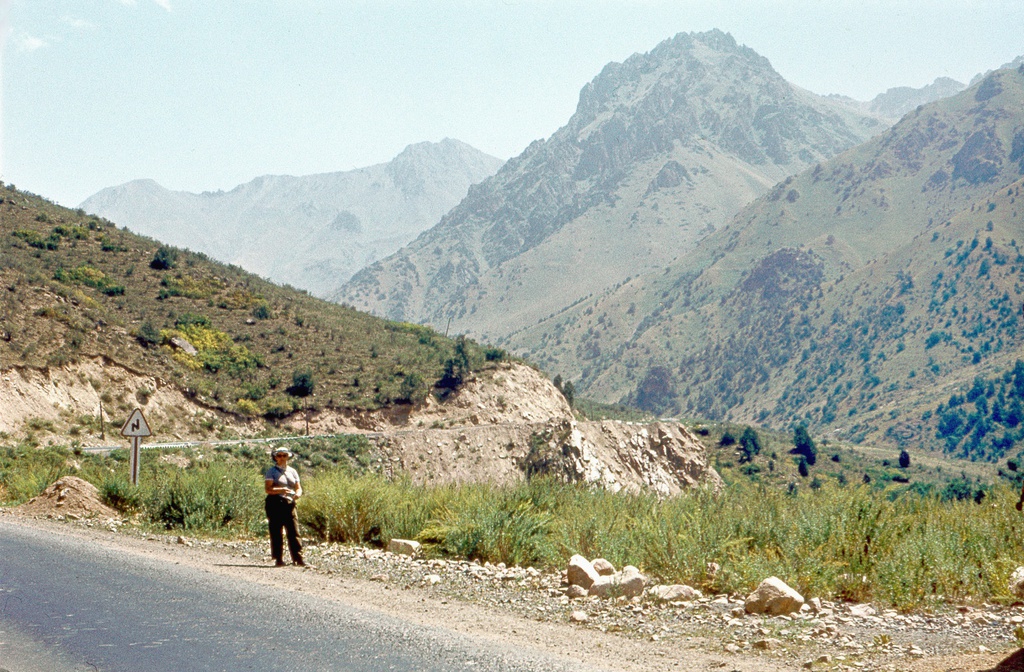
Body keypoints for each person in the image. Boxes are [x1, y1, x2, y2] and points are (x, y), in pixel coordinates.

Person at [265, 447, 304, 567]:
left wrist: (297, 494)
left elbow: (298, 487)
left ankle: (298, 559)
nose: (282, 458)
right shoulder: (271, 471)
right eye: (279, 455)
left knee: (294, 531)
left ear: (288, 457)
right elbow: (268, 489)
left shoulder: (293, 471)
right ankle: (279, 559)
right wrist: (281, 490)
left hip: (289, 503)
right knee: (276, 531)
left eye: (284, 455)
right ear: (275, 457)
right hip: (275, 503)